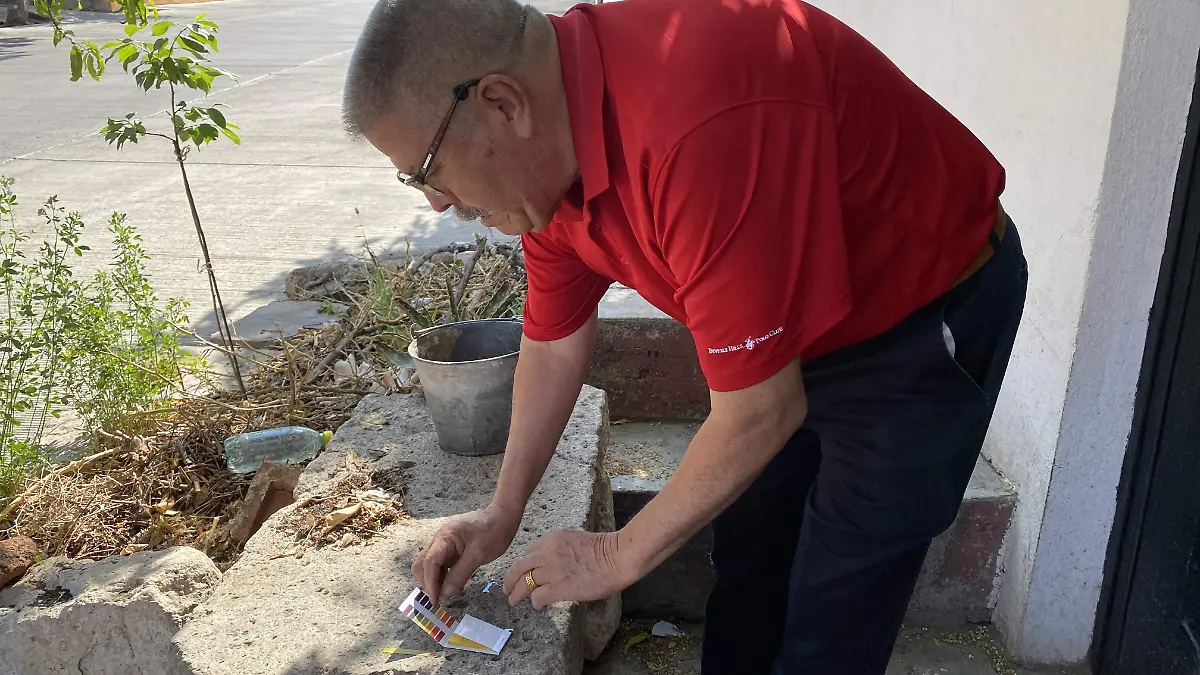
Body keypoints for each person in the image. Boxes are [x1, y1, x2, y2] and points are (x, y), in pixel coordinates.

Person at [341, 0, 1028, 671]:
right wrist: (501, 511)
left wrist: (616, 553)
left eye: (425, 170)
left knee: (837, 604)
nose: (432, 201)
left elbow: (762, 410)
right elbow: (552, 344)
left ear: (503, 102)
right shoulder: (544, 169)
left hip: (917, 317)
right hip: (787, 336)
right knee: (750, 552)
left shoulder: (695, 120)